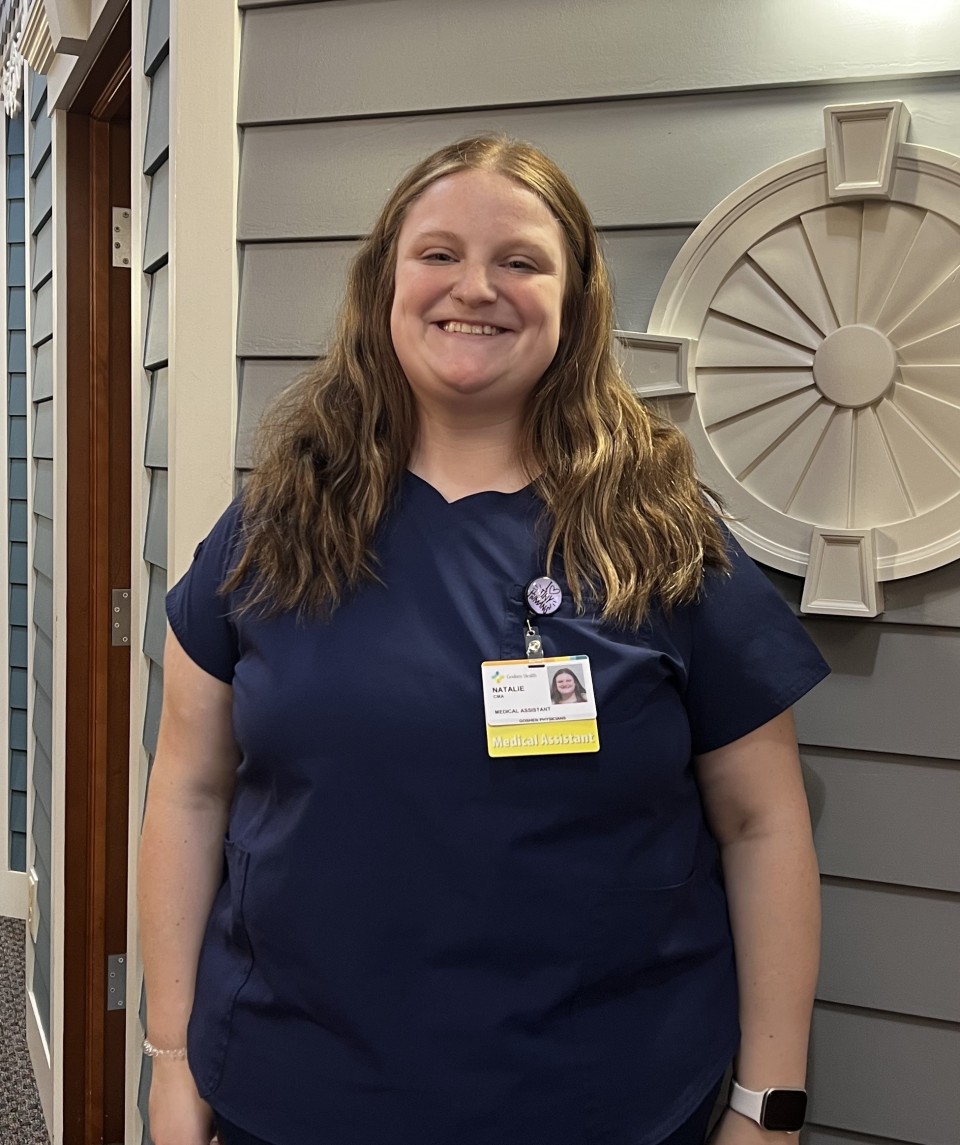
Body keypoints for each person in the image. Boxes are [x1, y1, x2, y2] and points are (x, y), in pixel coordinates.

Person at [139, 135, 829, 1145]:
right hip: (295, 1097)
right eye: (438, 254)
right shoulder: (275, 524)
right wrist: (168, 1056)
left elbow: (764, 825)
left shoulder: (661, 532)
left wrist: (766, 1105)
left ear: (577, 296)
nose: (477, 286)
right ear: (385, 283)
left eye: (520, 259)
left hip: (608, 1106)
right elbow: (189, 785)